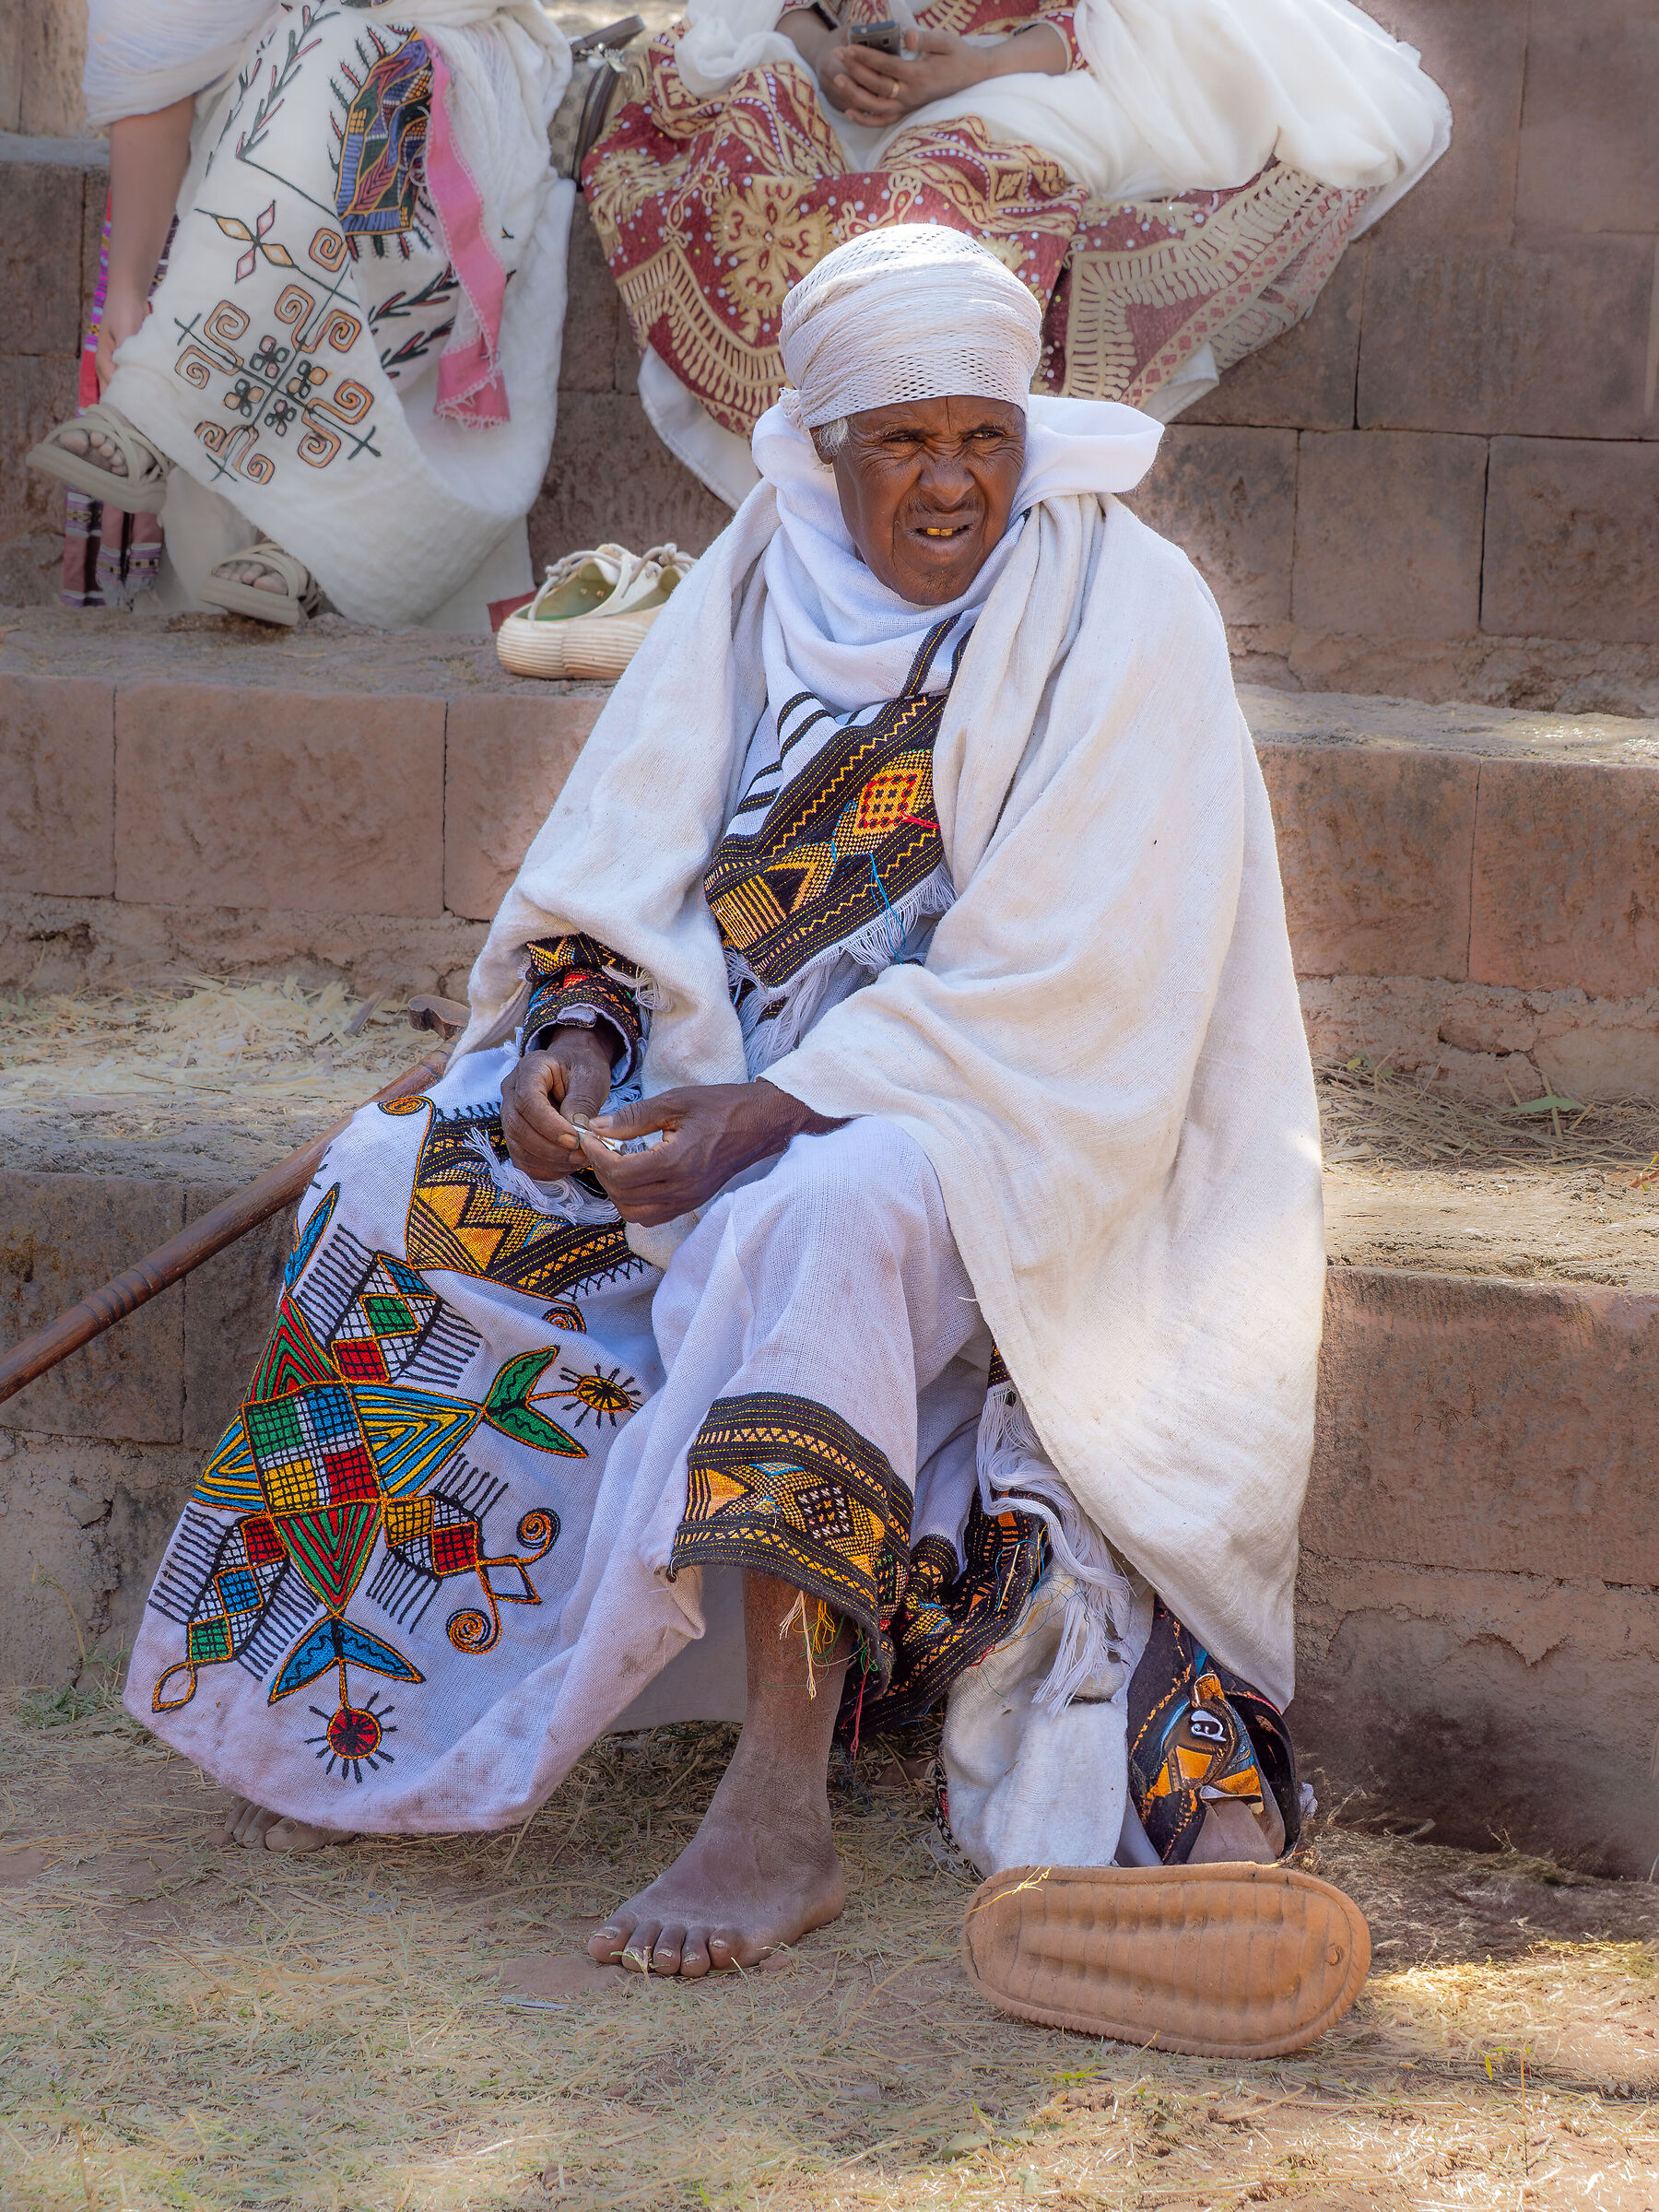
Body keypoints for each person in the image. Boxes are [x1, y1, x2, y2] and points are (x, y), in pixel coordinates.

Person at [126, 229, 1325, 2017]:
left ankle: (777, 1802)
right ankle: (316, 1700)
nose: (949, 484)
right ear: (823, 452)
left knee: (820, 1216)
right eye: (902, 445)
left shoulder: (1122, 605)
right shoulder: (765, 580)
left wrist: (773, 1113)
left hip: (1020, 1132)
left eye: (981, 438)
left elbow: (1085, 983)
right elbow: (622, 878)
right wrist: (581, 1061)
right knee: (404, 1174)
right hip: (725, 1116)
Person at [582, 0, 1449, 507]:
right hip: (862, 74)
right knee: (744, 146)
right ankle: (821, 479)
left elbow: (1127, 25)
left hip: (1039, 70)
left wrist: (973, 68)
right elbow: (794, 10)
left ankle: (928, 481)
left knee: (952, 194)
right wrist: (832, 57)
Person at [29, 0, 574, 629]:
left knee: (336, 56)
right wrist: (126, 288)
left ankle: (306, 540)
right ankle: (169, 425)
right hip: (258, 107)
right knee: (301, 72)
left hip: (447, 55)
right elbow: (151, 46)